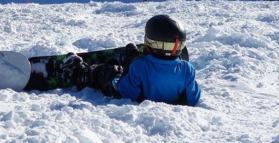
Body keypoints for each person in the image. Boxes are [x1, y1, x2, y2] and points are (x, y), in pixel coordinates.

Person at [73, 14, 202, 106]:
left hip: (137, 87)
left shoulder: (140, 65)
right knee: (139, 63)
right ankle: (131, 56)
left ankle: (80, 72)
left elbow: (125, 92)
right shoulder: (187, 69)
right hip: (147, 67)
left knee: (107, 71)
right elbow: (192, 99)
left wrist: (116, 76)